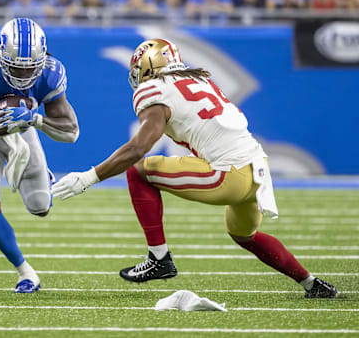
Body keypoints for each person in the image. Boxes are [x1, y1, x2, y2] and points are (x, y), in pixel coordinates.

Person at [51, 38, 338, 299]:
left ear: (150, 67)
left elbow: (139, 148)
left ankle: (159, 259)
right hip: (258, 169)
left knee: (139, 170)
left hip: (228, 173)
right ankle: (312, 283)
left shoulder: (154, 90)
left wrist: (89, 177)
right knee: (244, 235)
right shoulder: (199, 80)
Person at [0, 18, 79, 293]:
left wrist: (35, 120)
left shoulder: (51, 73)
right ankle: (25, 272)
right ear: (1, 57)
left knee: (40, 207)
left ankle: (43, 176)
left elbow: (72, 132)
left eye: (29, 68)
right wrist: (9, 129)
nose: (23, 75)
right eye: (15, 67)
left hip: (23, 123)